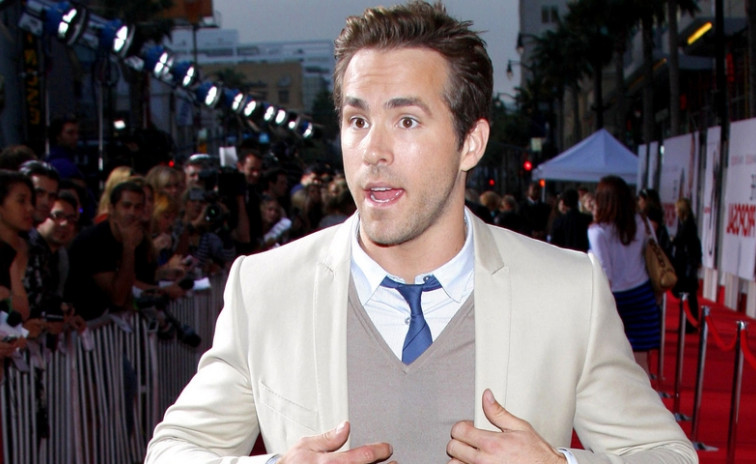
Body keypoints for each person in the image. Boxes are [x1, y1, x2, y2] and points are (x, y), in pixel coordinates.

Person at [146, 3, 696, 464]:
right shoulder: (267, 287)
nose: (373, 151)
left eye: (406, 120)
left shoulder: (566, 290)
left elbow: (667, 454)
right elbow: (172, 450)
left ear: (470, 143)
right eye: (357, 121)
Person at [587, 175, 661, 375]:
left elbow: (605, 273)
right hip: (642, 294)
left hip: (615, 298)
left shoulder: (598, 231)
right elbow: (654, 251)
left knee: (609, 360)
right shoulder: (641, 222)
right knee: (641, 362)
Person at [65, 181, 148, 321]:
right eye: (126, 206)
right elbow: (118, 298)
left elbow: (133, 287)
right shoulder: (94, 240)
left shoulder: (139, 238)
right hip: (83, 322)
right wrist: (129, 248)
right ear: (112, 209)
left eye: (138, 207)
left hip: (113, 325)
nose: (132, 213)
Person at [671, 198, 702, 324]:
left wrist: (673, 240)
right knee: (689, 294)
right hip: (687, 263)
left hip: (687, 265)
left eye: (676, 208)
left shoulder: (688, 225)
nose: (675, 211)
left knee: (688, 294)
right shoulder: (686, 223)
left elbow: (682, 241)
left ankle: (691, 321)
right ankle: (689, 320)